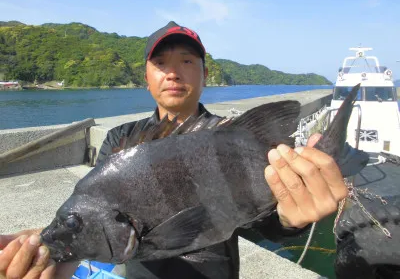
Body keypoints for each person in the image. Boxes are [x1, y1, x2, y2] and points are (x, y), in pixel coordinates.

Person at [0, 21, 348, 279]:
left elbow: (267, 225)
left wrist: (292, 218)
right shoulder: (120, 141)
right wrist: (55, 254)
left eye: (186, 61)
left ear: (205, 74)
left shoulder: (232, 138)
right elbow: (97, 226)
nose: (173, 73)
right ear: (146, 77)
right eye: (161, 63)